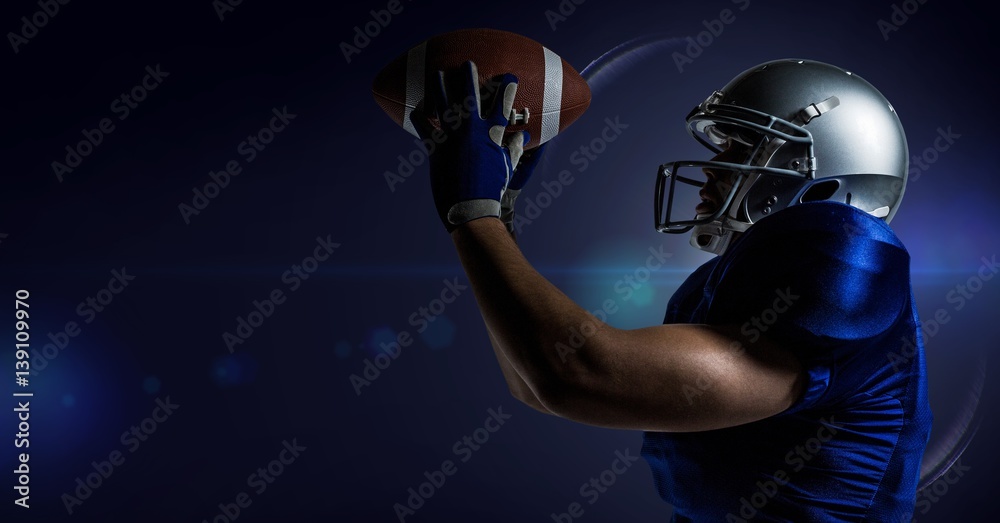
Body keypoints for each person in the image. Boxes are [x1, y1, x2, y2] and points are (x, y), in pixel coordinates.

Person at [408, 58, 932, 521]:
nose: (710, 170)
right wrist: (497, 221)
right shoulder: (713, 286)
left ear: (825, 174)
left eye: (745, 147)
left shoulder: (851, 253)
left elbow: (577, 373)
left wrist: (474, 217)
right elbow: (536, 386)